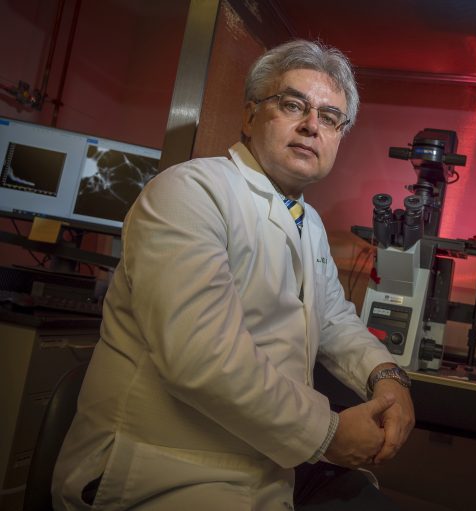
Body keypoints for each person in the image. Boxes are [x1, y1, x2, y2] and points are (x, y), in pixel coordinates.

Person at [52, 39, 415, 510]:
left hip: (262, 465)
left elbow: (334, 320)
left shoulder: (307, 223)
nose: (311, 126)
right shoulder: (190, 192)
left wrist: (387, 376)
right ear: (249, 116)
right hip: (161, 474)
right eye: (293, 105)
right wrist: (327, 433)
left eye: (329, 117)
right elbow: (203, 357)